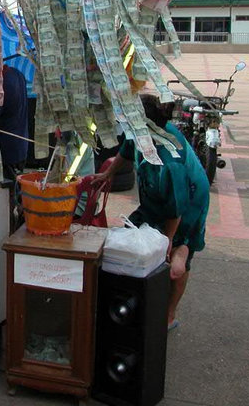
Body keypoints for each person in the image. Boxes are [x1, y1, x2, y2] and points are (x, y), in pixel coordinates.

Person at [92, 93, 210, 330]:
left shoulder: (169, 162)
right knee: (132, 240)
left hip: (187, 203)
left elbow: (175, 210)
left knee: (173, 259)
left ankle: (168, 314)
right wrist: (108, 174)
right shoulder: (139, 132)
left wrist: (166, 242)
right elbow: (126, 150)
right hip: (157, 198)